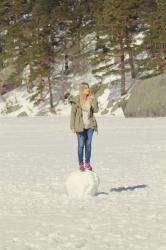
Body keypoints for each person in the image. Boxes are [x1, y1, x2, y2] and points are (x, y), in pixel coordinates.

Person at [69, 82, 99, 171]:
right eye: (86, 88)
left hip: (90, 126)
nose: (88, 90)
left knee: (88, 145)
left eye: (88, 88)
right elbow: (73, 114)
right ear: (82, 89)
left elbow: (96, 110)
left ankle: (87, 163)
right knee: (81, 145)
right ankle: (81, 164)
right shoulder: (76, 100)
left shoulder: (91, 99)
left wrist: (94, 100)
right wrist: (72, 126)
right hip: (79, 126)